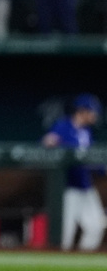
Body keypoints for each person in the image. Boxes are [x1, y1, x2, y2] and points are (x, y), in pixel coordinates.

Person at [42, 94, 107, 251]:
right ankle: (57, 268)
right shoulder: (63, 126)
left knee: (96, 227)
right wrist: (49, 142)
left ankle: (81, 262)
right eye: (92, 111)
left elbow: (93, 162)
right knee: (65, 234)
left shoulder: (87, 133)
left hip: (86, 187)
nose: (94, 115)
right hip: (67, 188)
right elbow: (46, 143)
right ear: (82, 111)